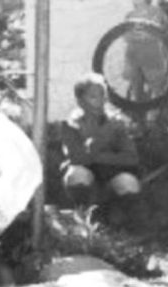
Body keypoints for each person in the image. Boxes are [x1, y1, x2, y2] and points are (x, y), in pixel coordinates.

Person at [59, 73, 142, 224]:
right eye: (93, 97)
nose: (100, 101)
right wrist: (104, 136)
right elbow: (77, 158)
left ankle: (117, 221)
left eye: (103, 96)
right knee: (77, 176)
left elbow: (131, 158)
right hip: (88, 176)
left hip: (112, 174)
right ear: (80, 101)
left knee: (129, 185)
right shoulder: (71, 124)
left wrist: (96, 154)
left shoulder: (117, 123)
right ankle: (84, 217)